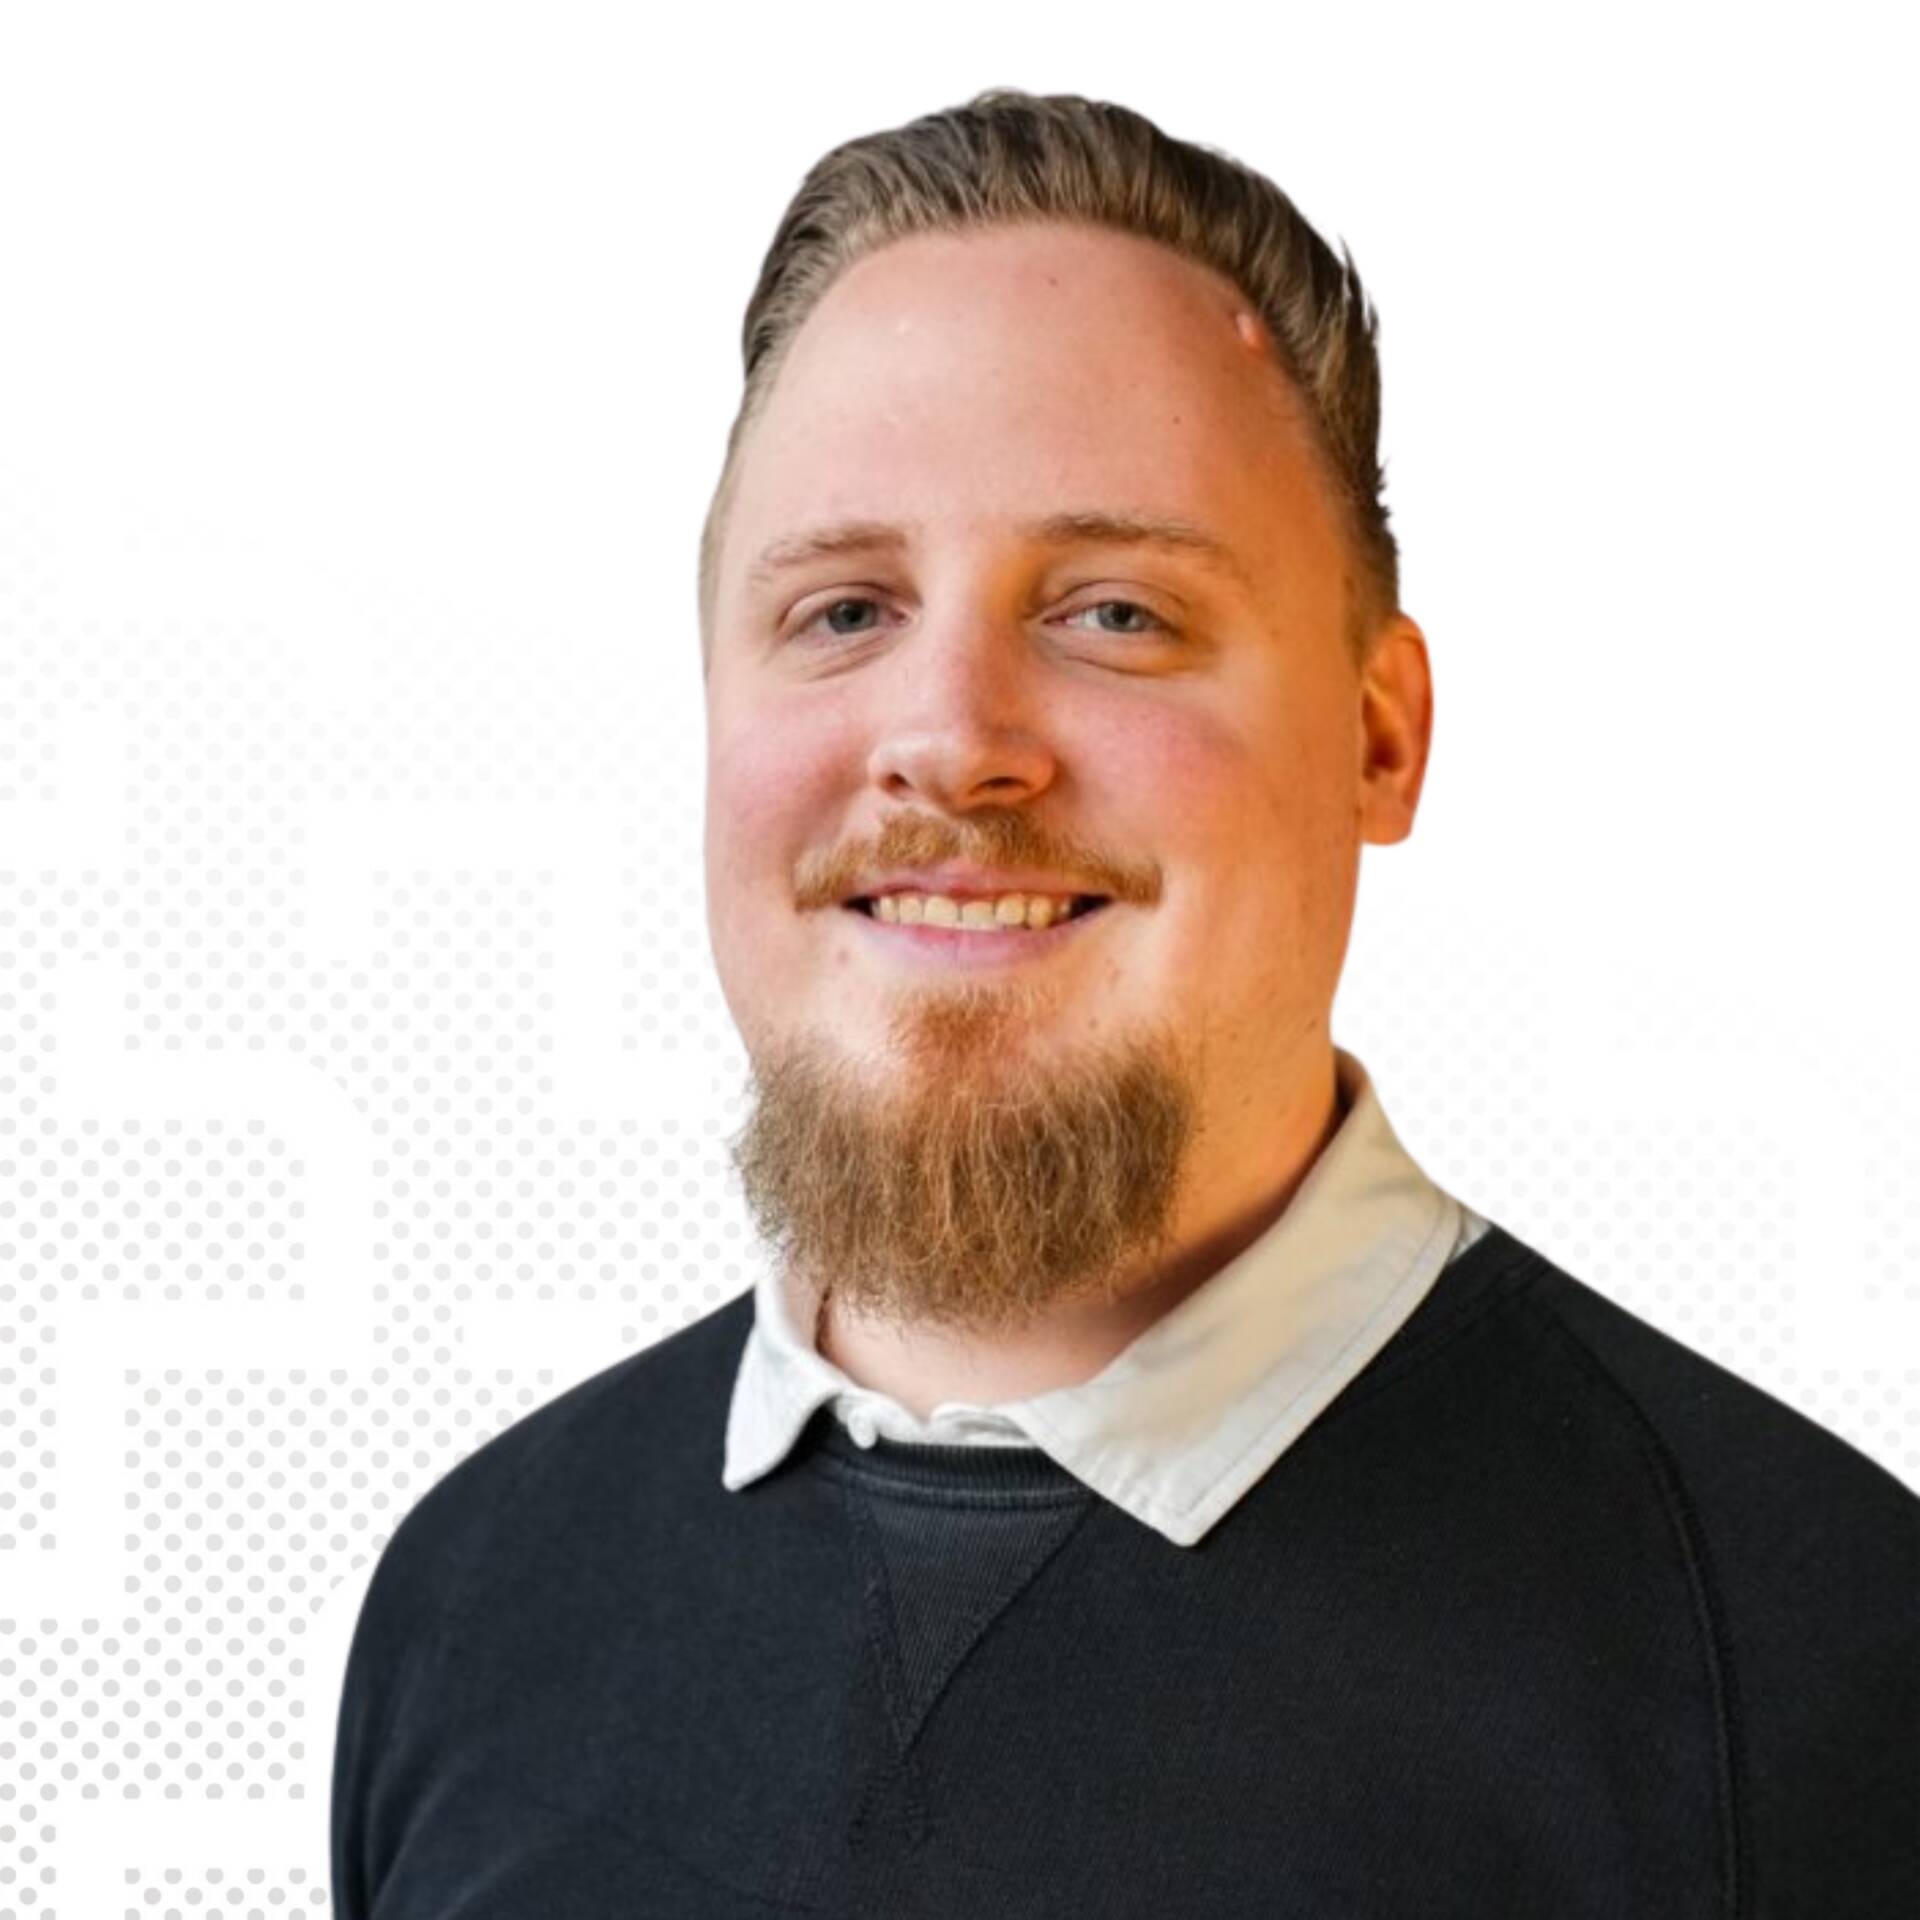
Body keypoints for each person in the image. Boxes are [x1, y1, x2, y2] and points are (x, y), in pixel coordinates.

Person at [331, 89, 1919, 1918]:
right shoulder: (478, 1597)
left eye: (1114, 614)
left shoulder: (1810, 1675)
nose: (949, 741)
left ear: (1380, 735)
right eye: (844, 611)